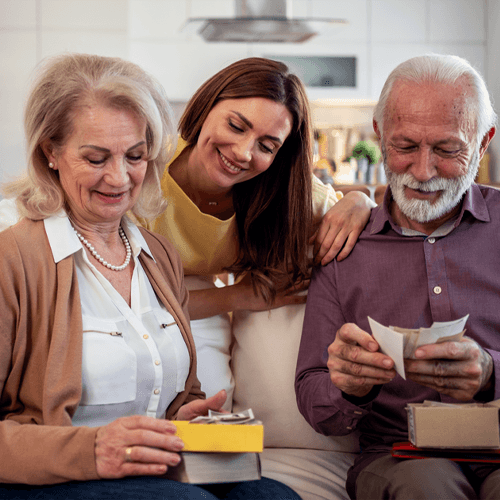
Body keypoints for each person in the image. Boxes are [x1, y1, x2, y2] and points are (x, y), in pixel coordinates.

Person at [0, 53, 300, 500]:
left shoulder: (157, 254)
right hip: (59, 475)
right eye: (96, 158)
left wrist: (185, 416)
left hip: (153, 470)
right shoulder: (15, 258)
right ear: (51, 151)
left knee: (276, 498)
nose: (119, 178)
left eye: (135, 156)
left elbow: (178, 392)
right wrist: (94, 448)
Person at [295, 53, 500, 500]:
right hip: (402, 456)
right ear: (379, 135)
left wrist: (490, 372)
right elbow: (313, 395)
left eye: (447, 150)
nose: (423, 172)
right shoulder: (343, 244)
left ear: (483, 143)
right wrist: (348, 386)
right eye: (405, 147)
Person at [135, 57, 374, 404]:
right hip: (160, 306)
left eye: (266, 146)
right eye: (235, 125)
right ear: (207, 105)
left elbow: (363, 215)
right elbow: (133, 303)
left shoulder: (280, 191)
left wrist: (360, 202)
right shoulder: (145, 177)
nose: (243, 153)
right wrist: (240, 296)